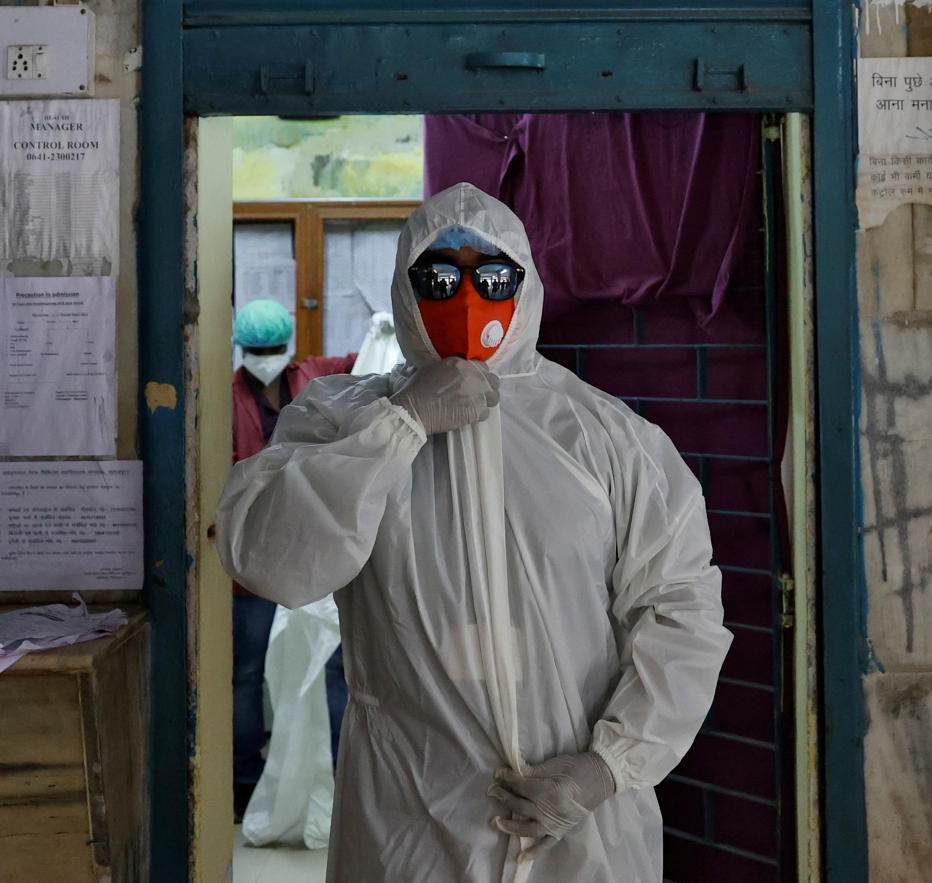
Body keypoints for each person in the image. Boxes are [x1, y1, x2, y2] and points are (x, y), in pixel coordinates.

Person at [216, 183, 731, 882]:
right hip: (411, 816)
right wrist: (398, 427)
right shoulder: (340, 420)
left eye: (491, 278)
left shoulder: (605, 436)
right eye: (437, 278)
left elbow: (682, 609)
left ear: (525, 284)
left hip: (578, 831)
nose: (465, 299)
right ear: (404, 289)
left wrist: (609, 765)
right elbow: (273, 559)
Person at [229, 298, 357, 820]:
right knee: (248, 672)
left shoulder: (313, 374)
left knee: (331, 669)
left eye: (274, 349)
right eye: (258, 351)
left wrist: (387, 327)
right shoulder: (225, 396)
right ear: (242, 349)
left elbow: (368, 364)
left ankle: (337, 771)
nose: (267, 358)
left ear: (290, 347)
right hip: (258, 560)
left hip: (316, 552)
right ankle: (245, 781)